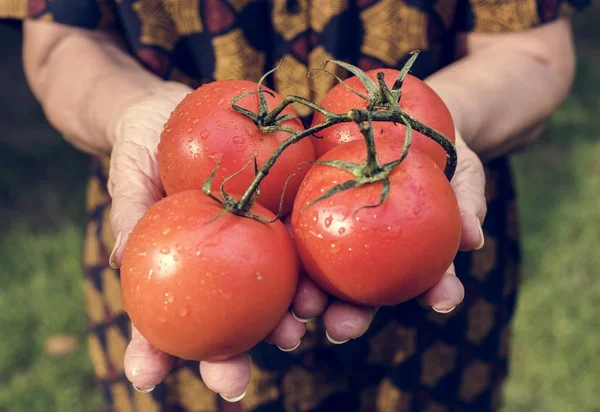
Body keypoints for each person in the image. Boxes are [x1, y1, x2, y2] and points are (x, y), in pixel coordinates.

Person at [2, 0, 586, 410]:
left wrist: (437, 120)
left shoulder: (401, 158)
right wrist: (131, 109)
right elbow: (61, 40)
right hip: (174, 263)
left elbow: (534, 53)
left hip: (426, 308)